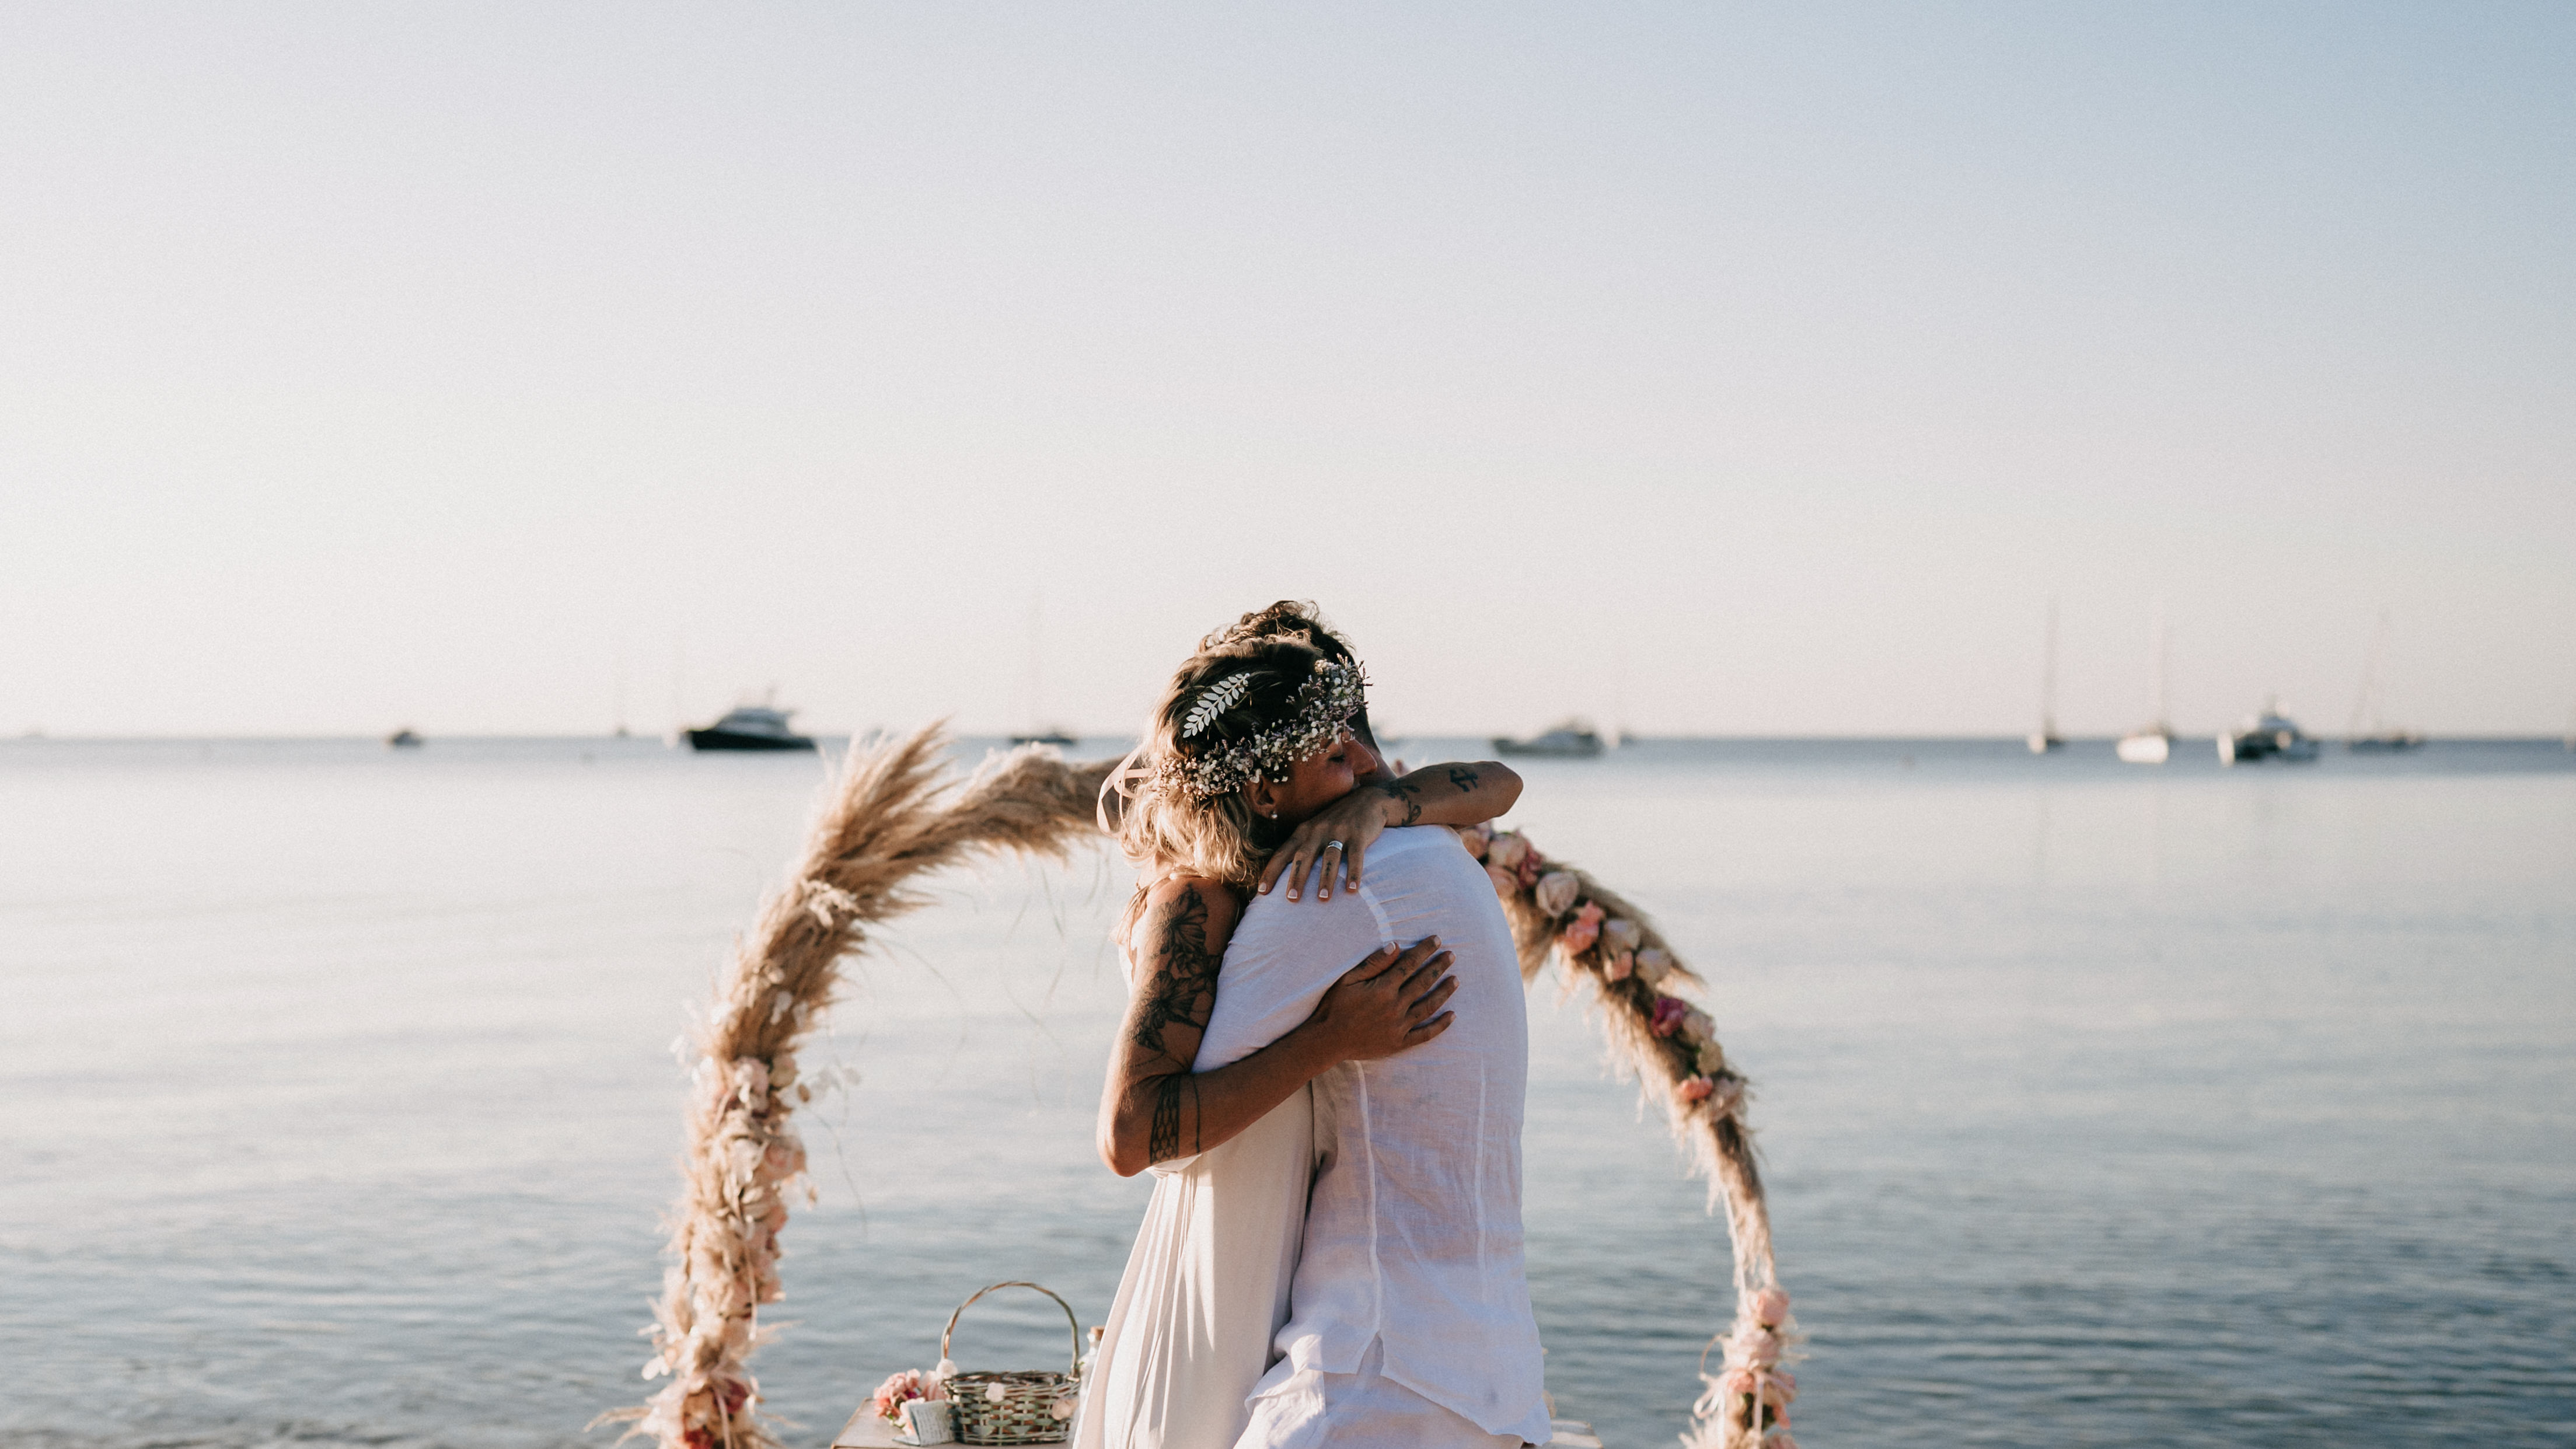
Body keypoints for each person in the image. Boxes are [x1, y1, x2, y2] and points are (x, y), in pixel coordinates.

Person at [1074, 611, 1524, 1449]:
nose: (1370, 762)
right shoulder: (1198, 899)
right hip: (1220, 1250)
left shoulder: (1347, 842)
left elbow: (1500, 783)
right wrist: (1326, 1038)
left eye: (1361, 735)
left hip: (1286, 1258)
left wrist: (1383, 803)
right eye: (1336, 754)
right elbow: (1130, 1135)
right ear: (1264, 792)